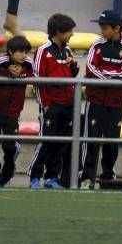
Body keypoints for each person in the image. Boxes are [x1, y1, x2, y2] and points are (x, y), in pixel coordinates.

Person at [79, 10, 122, 190]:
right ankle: (87, 178)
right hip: (95, 101)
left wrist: (105, 75)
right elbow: (90, 68)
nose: (102, 31)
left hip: (115, 102)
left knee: (112, 142)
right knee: (91, 141)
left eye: (105, 27)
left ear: (117, 28)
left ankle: (107, 177)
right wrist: (110, 77)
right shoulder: (97, 45)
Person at [26, 13, 79, 189]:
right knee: (46, 140)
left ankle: (52, 177)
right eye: (69, 31)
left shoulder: (68, 50)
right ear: (58, 31)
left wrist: (73, 65)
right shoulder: (43, 51)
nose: (72, 34)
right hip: (51, 104)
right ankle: (35, 176)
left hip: (68, 103)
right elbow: (37, 79)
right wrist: (45, 104)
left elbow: (73, 74)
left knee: (61, 142)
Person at [0, 35, 34, 187]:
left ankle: (6, 175)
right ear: (10, 52)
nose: (24, 55)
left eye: (26, 51)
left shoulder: (28, 63)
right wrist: (7, 74)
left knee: (9, 147)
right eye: (20, 51)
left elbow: (36, 76)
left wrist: (21, 75)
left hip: (13, 113)